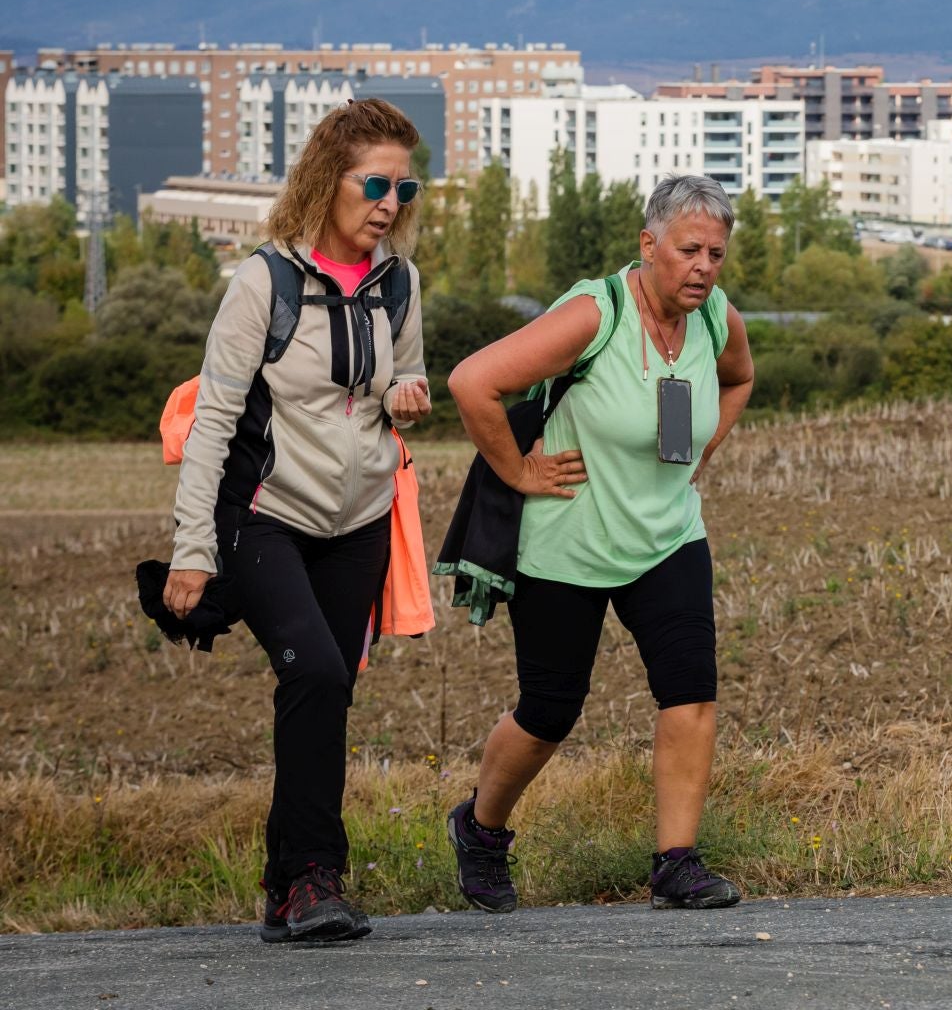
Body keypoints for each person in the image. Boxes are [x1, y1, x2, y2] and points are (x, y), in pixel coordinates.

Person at [444, 173, 755, 913]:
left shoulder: (715, 319)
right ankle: (480, 829)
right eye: (688, 250)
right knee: (550, 710)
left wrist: (703, 450)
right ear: (648, 244)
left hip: (669, 535)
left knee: (691, 693)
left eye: (715, 254)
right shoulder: (597, 313)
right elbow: (471, 382)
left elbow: (739, 379)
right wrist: (518, 471)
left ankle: (676, 863)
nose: (704, 268)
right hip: (569, 542)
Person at [165, 98, 431, 943]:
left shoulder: (399, 284)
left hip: (361, 522)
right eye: (376, 184)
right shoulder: (264, 282)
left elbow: (403, 378)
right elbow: (212, 423)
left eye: (404, 188)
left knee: (325, 690)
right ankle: (317, 876)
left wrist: (409, 395)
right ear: (327, 179)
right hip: (266, 517)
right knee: (314, 673)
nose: (390, 203)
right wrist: (193, 548)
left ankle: (288, 888)